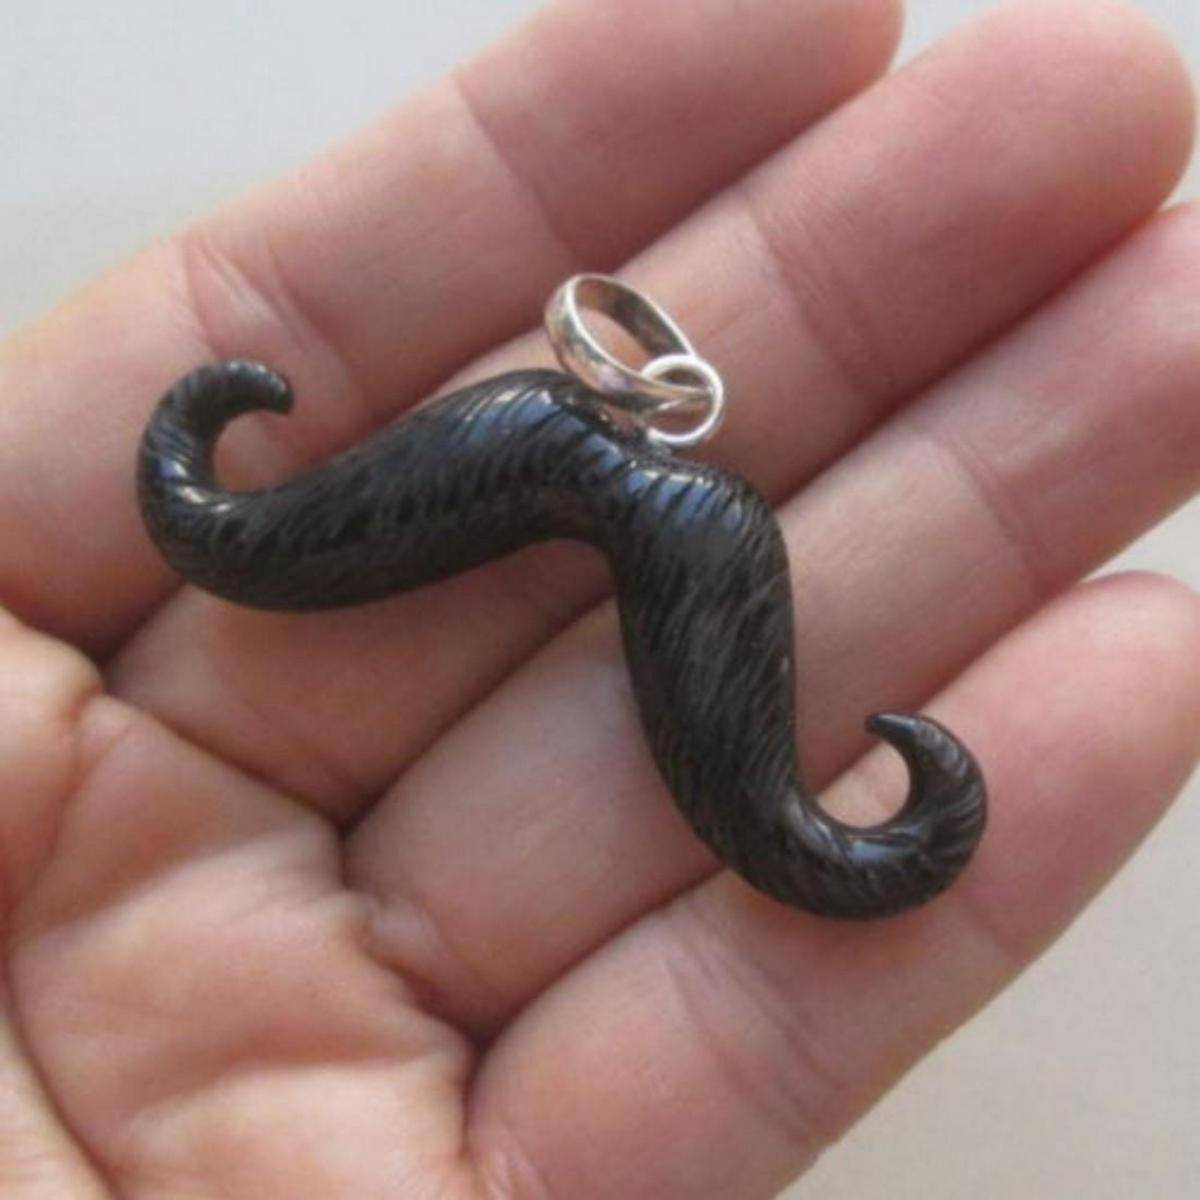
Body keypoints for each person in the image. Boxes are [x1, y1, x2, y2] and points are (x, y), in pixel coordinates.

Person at [0, 0, 1196, 1196]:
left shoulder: (622, 472)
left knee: (596, 474)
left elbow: (246, 538)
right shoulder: (632, 477)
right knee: (589, 476)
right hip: (600, 473)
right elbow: (240, 540)